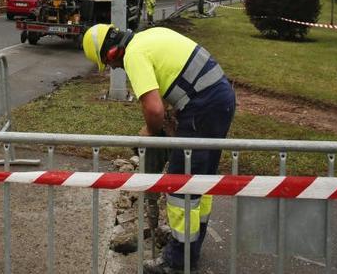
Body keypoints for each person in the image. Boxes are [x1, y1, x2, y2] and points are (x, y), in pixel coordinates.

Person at [81, 24, 236, 274]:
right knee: (201, 180)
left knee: (179, 186)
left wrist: (151, 132)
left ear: (111, 53)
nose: (114, 68)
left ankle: (178, 262)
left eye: (109, 64)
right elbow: (175, 80)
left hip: (203, 108)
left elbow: (154, 109)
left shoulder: (133, 55)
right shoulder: (150, 36)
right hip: (220, 98)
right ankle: (191, 245)